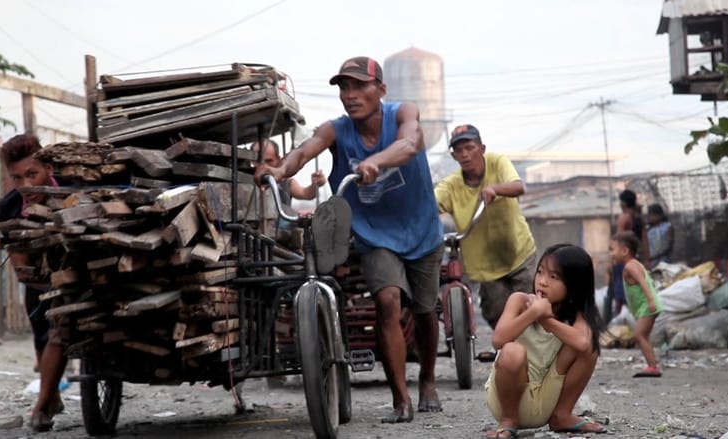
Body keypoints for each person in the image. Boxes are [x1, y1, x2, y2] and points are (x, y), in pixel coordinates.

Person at [254, 56, 444, 423]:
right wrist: (279, 170)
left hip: (420, 228)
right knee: (387, 302)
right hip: (375, 234)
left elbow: (409, 144)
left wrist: (378, 162)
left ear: (381, 90)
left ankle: (429, 379)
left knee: (423, 310)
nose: (351, 95)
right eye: (344, 87)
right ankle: (400, 398)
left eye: (360, 86)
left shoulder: (404, 112)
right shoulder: (337, 130)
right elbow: (305, 149)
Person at [435, 124, 536, 360]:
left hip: (519, 254)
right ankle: (512, 354)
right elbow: (431, 203)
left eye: (470, 148)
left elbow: (518, 186)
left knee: (532, 306)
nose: (465, 155)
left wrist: (495, 189)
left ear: (482, 148)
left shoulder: (497, 162)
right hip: (486, 267)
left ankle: (537, 353)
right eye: (459, 151)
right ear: (453, 156)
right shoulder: (451, 185)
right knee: (495, 312)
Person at [484, 244, 607, 438]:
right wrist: (533, 313)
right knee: (512, 351)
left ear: (574, 285)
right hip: (507, 399)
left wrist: (546, 320)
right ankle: (509, 420)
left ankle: (561, 415)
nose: (542, 281)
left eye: (554, 277)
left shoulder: (576, 316)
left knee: (589, 347)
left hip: (543, 401)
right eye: (540, 272)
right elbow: (499, 340)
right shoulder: (519, 301)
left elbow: (583, 345)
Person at [0, 134, 66, 431]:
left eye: (31, 174)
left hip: (79, 273)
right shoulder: (9, 207)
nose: (25, 185)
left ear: (49, 168)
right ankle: (51, 396)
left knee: (57, 333)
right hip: (39, 281)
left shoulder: (72, 190)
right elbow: (20, 266)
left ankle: (40, 408)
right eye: (16, 178)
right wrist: (45, 284)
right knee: (42, 336)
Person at [610, 231, 663, 378]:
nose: (611, 254)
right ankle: (652, 364)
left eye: (612, 249)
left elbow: (643, 282)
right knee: (643, 336)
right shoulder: (632, 265)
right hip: (646, 306)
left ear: (625, 251)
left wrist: (651, 301)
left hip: (648, 305)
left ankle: (652, 366)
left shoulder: (630, 267)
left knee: (639, 335)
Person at [605, 189, 645, 321]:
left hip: (622, 261)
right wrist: (646, 260)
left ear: (623, 203)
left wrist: (612, 262)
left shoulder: (624, 218)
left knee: (619, 293)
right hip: (636, 259)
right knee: (634, 291)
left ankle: (621, 321)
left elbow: (617, 242)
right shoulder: (639, 219)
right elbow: (645, 243)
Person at [253, 139, 326, 202]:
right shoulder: (245, 182)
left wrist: (315, 184)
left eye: (269, 161)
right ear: (253, 161)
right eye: (258, 161)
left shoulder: (286, 183)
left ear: (278, 159)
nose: (265, 166)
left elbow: (306, 194)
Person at [646, 203, 674, 269]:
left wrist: (656, 256)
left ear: (659, 215)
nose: (650, 217)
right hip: (651, 262)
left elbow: (669, 247)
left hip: (664, 260)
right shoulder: (647, 229)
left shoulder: (668, 227)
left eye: (653, 215)